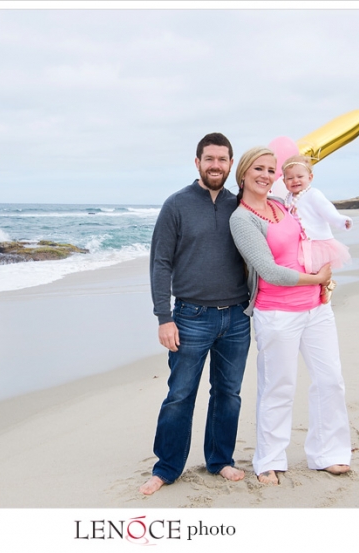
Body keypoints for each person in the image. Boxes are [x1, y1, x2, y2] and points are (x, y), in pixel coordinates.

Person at [229, 146, 352, 486]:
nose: (266, 175)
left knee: (330, 380)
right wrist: (317, 277)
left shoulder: (283, 205)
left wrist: (325, 281)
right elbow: (268, 270)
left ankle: (329, 453)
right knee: (278, 386)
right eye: (259, 169)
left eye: (271, 170)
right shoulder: (241, 218)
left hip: (317, 308)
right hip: (277, 313)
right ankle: (269, 459)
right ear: (243, 173)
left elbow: (312, 238)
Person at [140, 133, 252, 496]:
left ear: (231, 164)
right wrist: (163, 317)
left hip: (237, 317)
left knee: (228, 394)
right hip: (189, 317)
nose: (216, 165)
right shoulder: (176, 205)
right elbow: (160, 263)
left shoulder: (243, 206)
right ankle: (167, 467)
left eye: (222, 159)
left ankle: (219, 460)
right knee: (180, 394)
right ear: (197, 162)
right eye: (209, 159)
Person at [282, 154, 352, 303]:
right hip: (302, 242)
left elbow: (328, 211)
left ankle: (327, 284)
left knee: (319, 268)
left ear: (310, 177)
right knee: (307, 269)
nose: (295, 180)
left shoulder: (313, 194)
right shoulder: (287, 198)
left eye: (300, 176)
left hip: (318, 241)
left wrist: (341, 221)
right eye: (290, 178)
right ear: (284, 181)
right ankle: (318, 288)